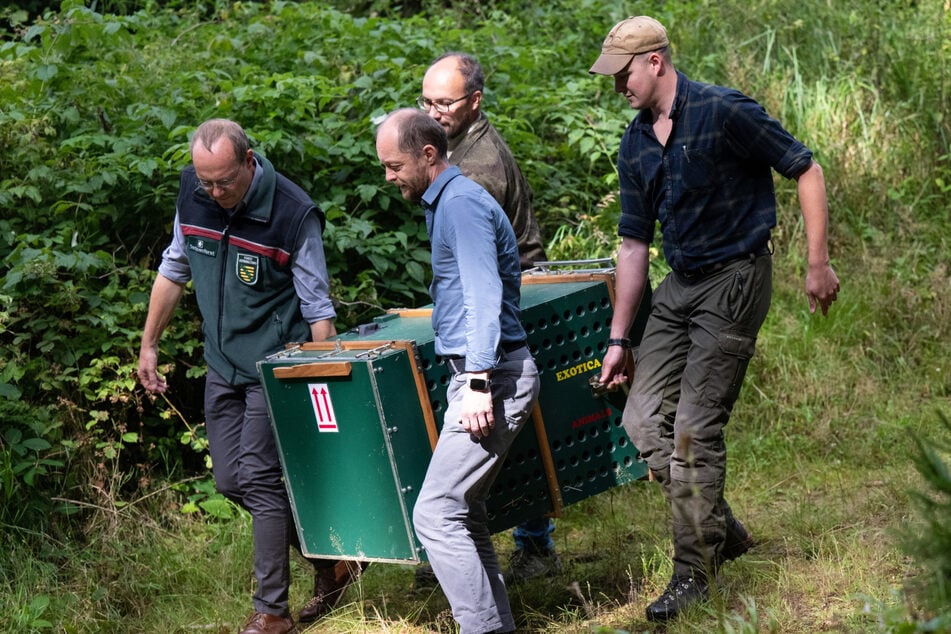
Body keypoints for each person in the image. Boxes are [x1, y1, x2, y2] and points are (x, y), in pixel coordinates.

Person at [589, 16, 840, 622]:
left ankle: (692, 574)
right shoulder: (635, 142)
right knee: (645, 422)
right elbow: (631, 246)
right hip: (679, 286)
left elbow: (805, 169)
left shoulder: (725, 112)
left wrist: (817, 261)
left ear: (655, 61)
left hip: (736, 277)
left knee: (694, 432)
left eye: (623, 73)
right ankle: (720, 527)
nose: (618, 85)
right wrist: (621, 338)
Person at [137, 119, 361, 634]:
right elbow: (174, 269)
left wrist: (321, 386)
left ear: (248, 161)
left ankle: (271, 611)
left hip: (276, 367)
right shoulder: (194, 196)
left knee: (259, 478)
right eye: (205, 182)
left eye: (224, 182)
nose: (214, 193)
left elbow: (318, 308)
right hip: (222, 363)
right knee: (230, 480)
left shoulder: (293, 213)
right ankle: (333, 563)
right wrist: (149, 344)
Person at [375, 108, 541, 634]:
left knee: (435, 513)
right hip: (480, 373)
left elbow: (483, 297)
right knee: (464, 513)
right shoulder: (445, 202)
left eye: (394, 165)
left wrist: (476, 383)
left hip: (492, 376)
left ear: (429, 155)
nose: (388, 177)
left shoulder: (462, 205)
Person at [418, 50, 560, 585]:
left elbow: (482, 274)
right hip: (486, 294)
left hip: (507, 297)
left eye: (445, 102)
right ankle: (475, 543)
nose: (434, 111)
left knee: (507, 423)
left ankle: (531, 544)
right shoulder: (453, 144)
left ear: (474, 101)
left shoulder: (476, 170)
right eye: (426, 100)